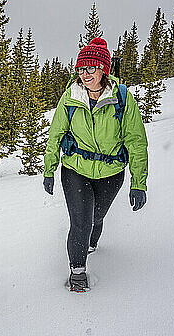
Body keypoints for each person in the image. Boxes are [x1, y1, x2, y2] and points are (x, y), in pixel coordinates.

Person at [43, 37, 148, 292]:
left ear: (104, 70)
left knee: (95, 217)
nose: (85, 74)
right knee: (80, 221)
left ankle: (92, 239)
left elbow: (136, 141)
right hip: (75, 169)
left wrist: (139, 183)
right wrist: (49, 169)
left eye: (91, 68)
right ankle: (77, 271)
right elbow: (56, 133)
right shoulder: (70, 97)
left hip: (111, 173)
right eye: (81, 69)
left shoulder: (122, 99)